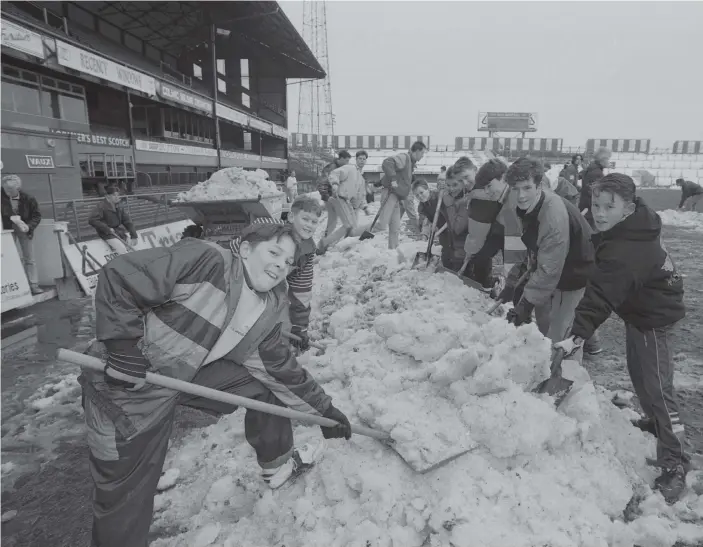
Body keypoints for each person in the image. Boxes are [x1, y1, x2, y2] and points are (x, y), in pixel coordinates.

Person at [81, 222, 352, 547]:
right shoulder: (206, 260)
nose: (281, 265)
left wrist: (325, 411)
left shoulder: (269, 305)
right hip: (127, 385)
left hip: (187, 371)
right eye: (274, 252)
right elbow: (121, 274)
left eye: (288, 261)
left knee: (265, 384)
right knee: (126, 494)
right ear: (246, 249)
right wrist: (122, 348)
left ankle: (277, 464)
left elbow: (280, 370)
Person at [554, 173, 689, 503]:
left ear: (628, 209)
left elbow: (601, 294)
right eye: (596, 205)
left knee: (658, 388)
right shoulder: (626, 228)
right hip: (639, 312)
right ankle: (656, 424)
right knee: (640, 378)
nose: (599, 213)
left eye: (608, 207)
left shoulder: (628, 247)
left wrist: (577, 336)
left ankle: (677, 462)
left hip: (653, 319)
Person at [496, 158, 594, 356]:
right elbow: (534, 252)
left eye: (527, 188)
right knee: (544, 325)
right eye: (515, 189)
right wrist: (512, 283)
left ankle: (568, 378)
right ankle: (544, 365)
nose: (521, 195)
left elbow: (550, 268)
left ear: (539, 185)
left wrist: (525, 303)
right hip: (554, 268)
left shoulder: (553, 215)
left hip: (574, 273)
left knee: (561, 336)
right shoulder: (527, 207)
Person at [463, 159, 527, 287]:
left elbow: (514, 252)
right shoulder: (504, 192)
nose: (486, 191)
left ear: (503, 178)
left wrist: (509, 281)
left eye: (489, 186)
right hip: (500, 227)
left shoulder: (514, 202)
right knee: (481, 257)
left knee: (517, 272)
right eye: (484, 187)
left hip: (514, 235)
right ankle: (488, 284)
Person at [375, 141, 427, 249]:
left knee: (395, 227)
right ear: (417, 151)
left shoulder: (411, 164)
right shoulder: (405, 157)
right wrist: (393, 180)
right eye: (422, 153)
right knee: (382, 225)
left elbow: (400, 176)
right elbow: (387, 163)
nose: (422, 156)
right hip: (390, 193)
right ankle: (355, 232)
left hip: (397, 197)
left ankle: (392, 250)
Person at [317, 150, 370, 254]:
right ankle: (324, 242)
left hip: (346, 201)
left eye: (364, 159)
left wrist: (364, 207)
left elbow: (361, 195)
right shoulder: (349, 168)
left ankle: (342, 244)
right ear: (356, 159)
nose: (362, 161)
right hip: (338, 197)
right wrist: (334, 185)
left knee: (351, 226)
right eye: (360, 158)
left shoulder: (361, 178)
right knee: (347, 224)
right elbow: (334, 174)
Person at [1, 175, 43, 294]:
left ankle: (33, 285)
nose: (7, 192)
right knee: (9, 257)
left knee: (29, 257)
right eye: (5, 189)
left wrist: (29, 226)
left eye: (11, 190)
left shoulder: (29, 198)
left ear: (18, 188)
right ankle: (13, 285)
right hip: (6, 227)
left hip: (23, 226)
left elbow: (37, 215)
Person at [437, 162, 472, 273]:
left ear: (462, 183)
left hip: (465, 251)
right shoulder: (450, 196)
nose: (451, 189)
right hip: (450, 247)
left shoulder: (467, 201)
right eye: (448, 185)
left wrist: (449, 205)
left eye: (455, 185)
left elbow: (457, 228)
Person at [88, 186, 138, 255]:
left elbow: (127, 221)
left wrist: (134, 235)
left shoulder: (119, 206)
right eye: (114, 195)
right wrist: (106, 228)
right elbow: (92, 220)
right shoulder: (101, 206)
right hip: (107, 233)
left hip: (119, 232)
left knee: (130, 245)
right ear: (107, 196)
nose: (117, 197)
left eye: (118, 195)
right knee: (122, 249)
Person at [319, 151, 352, 236]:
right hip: (330, 197)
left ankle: (327, 238)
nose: (347, 163)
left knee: (335, 219)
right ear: (340, 159)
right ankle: (326, 239)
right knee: (333, 219)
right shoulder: (332, 168)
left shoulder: (340, 168)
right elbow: (322, 182)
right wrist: (326, 196)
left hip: (337, 197)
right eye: (346, 160)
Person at [579, 147, 612, 227]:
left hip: (587, 208)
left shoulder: (592, 169)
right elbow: (596, 193)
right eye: (608, 159)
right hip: (591, 210)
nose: (609, 161)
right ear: (602, 159)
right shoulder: (597, 173)